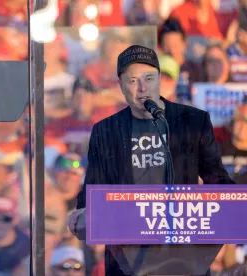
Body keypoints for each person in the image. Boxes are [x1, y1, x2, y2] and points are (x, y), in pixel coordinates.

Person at [68, 45, 235, 276]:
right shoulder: (106, 130)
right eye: (133, 81)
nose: (143, 88)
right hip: (127, 260)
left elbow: (217, 179)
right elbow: (92, 188)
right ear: (121, 86)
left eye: (149, 78)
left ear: (159, 79)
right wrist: (82, 212)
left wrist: (236, 206)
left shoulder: (192, 121)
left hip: (184, 258)